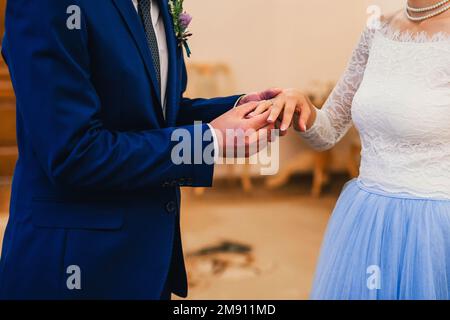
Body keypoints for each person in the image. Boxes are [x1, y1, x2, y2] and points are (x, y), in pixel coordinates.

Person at [0, 0, 279, 299]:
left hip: (150, 263)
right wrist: (208, 140)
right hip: (77, 263)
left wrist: (242, 109)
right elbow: (74, 153)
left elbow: (156, 115)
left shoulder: (155, 5)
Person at [252, 0, 450, 299]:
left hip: (434, 231)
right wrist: (303, 107)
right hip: (368, 220)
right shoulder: (376, 30)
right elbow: (329, 130)